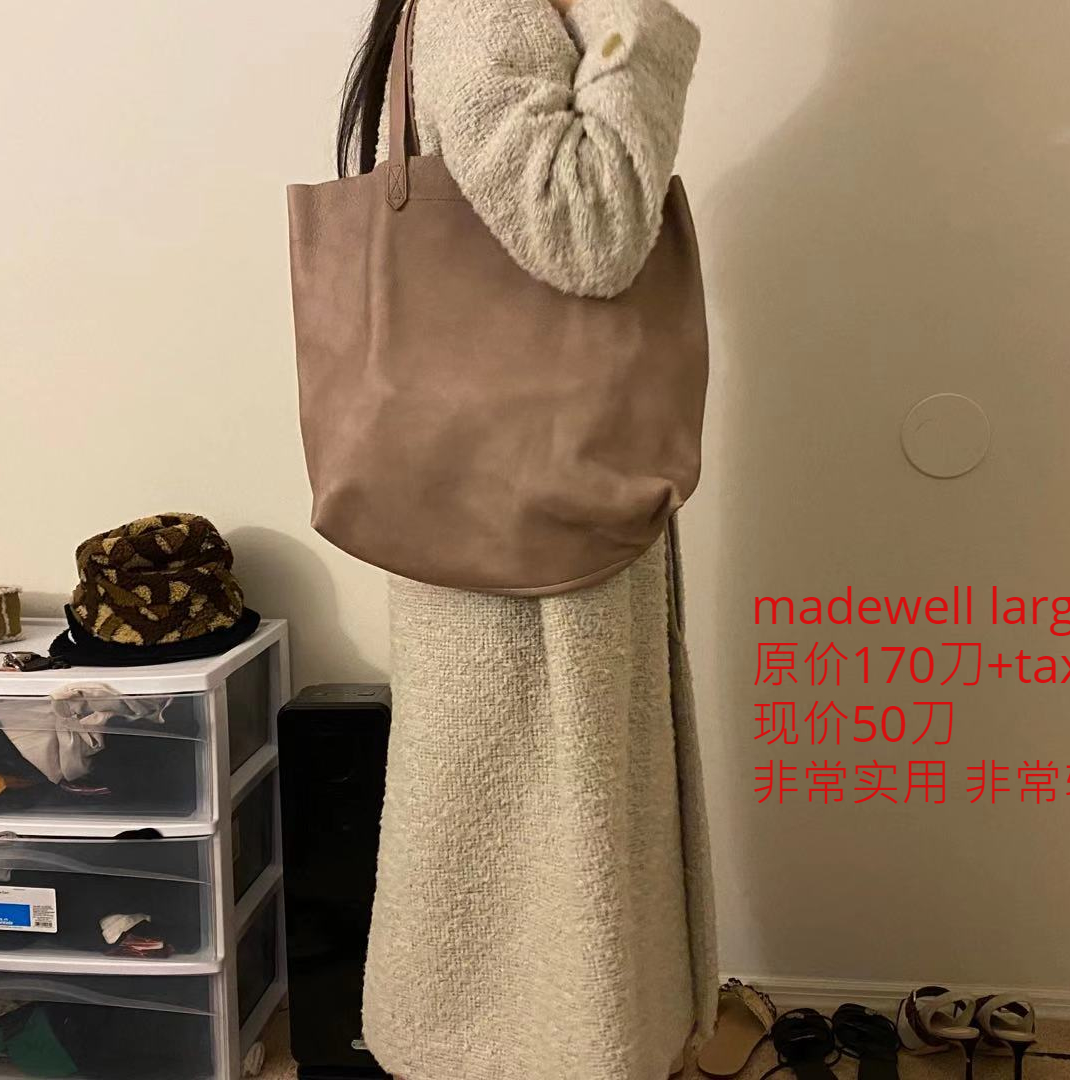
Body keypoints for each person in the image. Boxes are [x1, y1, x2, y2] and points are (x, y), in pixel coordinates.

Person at [335, 1, 716, 1077]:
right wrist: (631, 23)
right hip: (531, 534)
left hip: (518, 501)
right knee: (545, 862)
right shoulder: (482, 7)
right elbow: (588, 228)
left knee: (526, 847)